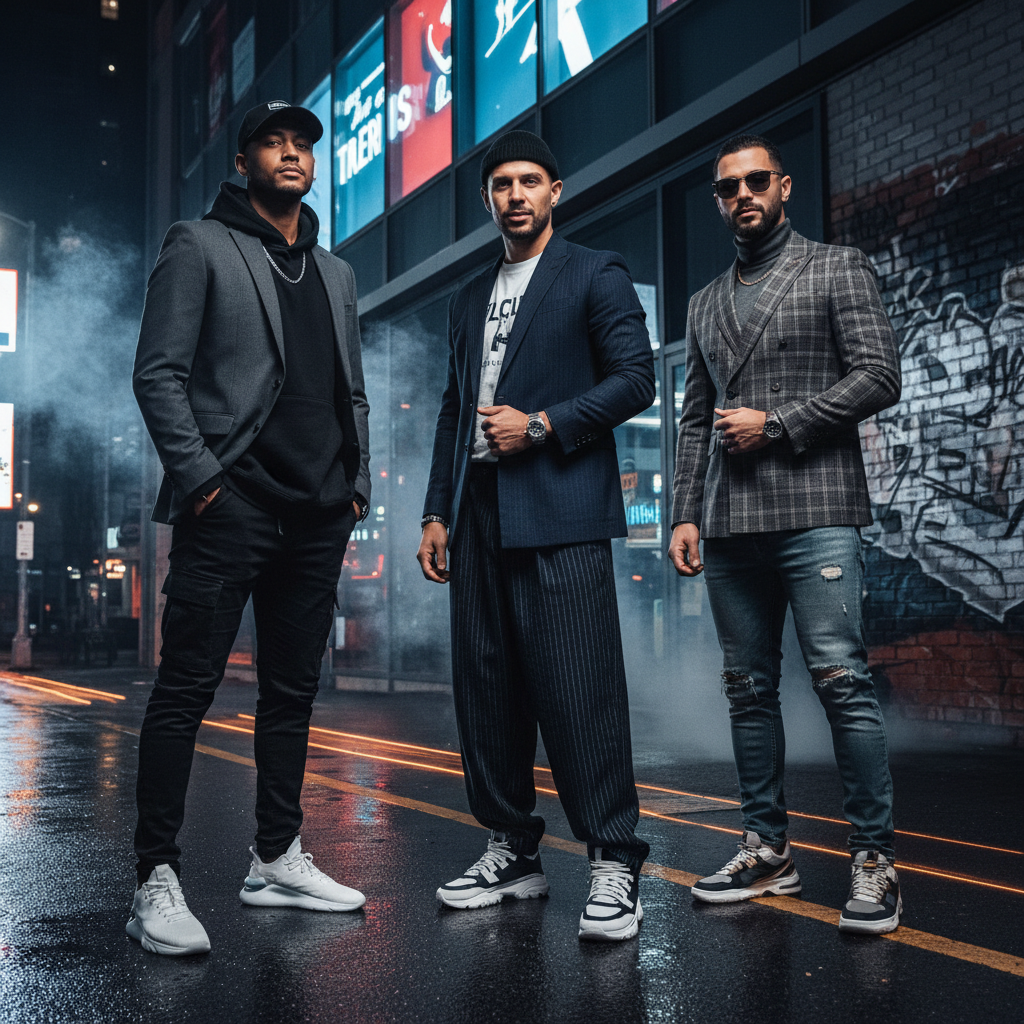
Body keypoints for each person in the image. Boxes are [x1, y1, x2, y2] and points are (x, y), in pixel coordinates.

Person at [129, 100, 371, 956]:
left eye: (303, 143)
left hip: (317, 517)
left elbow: (352, 390)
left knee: (292, 696)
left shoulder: (336, 272)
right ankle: (154, 878)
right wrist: (206, 490)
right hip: (231, 511)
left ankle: (275, 857)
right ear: (243, 161)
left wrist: (356, 488)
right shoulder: (199, 245)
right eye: (274, 142)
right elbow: (156, 376)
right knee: (185, 691)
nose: (292, 154)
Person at [417, 130, 653, 942]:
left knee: (579, 687)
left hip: (557, 504)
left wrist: (544, 424)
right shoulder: (466, 298)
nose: (514, 195)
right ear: (489, 200)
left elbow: (635, 380)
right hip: (478, 510)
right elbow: (454, 411)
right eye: (501, 185)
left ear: (558, 190)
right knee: (486, 689)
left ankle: (614, 859)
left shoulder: (595, 271)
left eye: (529, 182)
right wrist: (435, 511)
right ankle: (513, 846)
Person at [669, 133, 903, 934]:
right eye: (729, 185)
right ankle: (768, 850)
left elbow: (880, 375)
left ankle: (875, 862)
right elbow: (694, 419)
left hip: (818, 512)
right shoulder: (703, 303)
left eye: (756, 180)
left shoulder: (838, 266)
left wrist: (778, 424)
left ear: (785, 187)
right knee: (748, 691)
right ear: (718, 198)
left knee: (843, 684)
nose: (744, 194)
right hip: (731, 525)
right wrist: (683, 512)